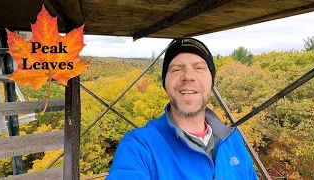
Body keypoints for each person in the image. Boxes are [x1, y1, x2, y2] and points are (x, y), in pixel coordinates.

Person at [106, 38, 257, 180]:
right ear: (165, 83)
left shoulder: (232, 139)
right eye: (177, 69)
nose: (188, 76)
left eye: (199, 68)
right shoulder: (139, 147)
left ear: (211, 81)